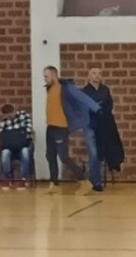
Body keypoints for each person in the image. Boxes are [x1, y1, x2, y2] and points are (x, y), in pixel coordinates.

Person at [43, 66, 100, 195]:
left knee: (64, 157)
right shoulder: (49, 88)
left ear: (53, 75)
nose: (45, 79)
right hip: (50, 126)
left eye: (46, 76)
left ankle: (84, 181)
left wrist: (96, 108)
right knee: (50, 155)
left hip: (61, 127)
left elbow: (82, 97)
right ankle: (54, 184)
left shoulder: (66, 88)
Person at [82, 67, 112, 191]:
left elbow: (109, 105)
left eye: (99, 73)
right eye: (94, 73)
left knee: (99, 153)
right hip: (89, 125)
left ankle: (94, 178)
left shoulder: (105, 90)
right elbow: (82, 108)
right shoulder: (84, 91)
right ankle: (96, 181)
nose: (97, 75)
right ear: (89, 76)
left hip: (102, 125)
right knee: (93, 152)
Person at [0, 104, 34, 190]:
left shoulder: (25, 116)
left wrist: (11, 134)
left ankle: (24, 178)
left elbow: (28, 131)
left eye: (10, 114)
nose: (9, 117)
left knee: (25, 152)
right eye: (7, 116)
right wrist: (17, 133)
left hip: (23, 145)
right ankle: (7, 178)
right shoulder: (4, 121)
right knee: (5, 153)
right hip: (10, 147)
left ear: (14, 111)